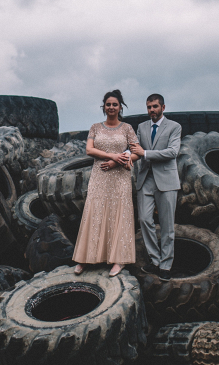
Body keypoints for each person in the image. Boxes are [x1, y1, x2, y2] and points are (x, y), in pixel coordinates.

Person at [73, 89, 139, 277]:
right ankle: (86, 258)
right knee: (95, 212)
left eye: (114, 104)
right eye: (108, 104)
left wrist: (119, 161)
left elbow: (137, 152)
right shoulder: (95, 127)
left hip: (120, 177)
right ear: (104, 107)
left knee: (119, 214)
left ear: (120, 107)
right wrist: (112, 156)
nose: (111, 107)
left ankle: (119, 260)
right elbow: (89, 150)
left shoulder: (127, 128)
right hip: (100, 177)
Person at [129, 94, 181, 280]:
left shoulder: (174, 127)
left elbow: (172, 152)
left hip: (166, 180)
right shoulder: (142, 127)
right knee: (144, 219)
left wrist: (145, 153)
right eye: (149, 107)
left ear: (163, 107)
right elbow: (134, 150)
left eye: (155, 107)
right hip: (145, 180)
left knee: (167, 226)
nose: (151, 110)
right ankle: (155, 260)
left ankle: (166, 266)